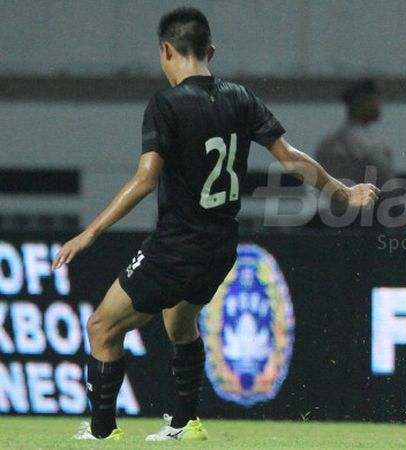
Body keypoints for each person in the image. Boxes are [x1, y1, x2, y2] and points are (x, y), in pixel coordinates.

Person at [52, 7, 379, 441]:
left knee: (101, 327)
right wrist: (343, 192)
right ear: (211, 51)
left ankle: (101, 431)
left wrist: (90, 232)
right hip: (221, 246)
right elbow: (290, 158)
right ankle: (187, 423)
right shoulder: (239, 98)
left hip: (175, 245)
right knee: (179, 324)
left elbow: (146, 178)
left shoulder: (165, 104)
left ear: (165, 50)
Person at [316, 78, 394, 189]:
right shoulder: (371, 145)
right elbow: (387, 185)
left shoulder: (327, 144)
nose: (379, 105)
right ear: (363, 102)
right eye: (375, 99)